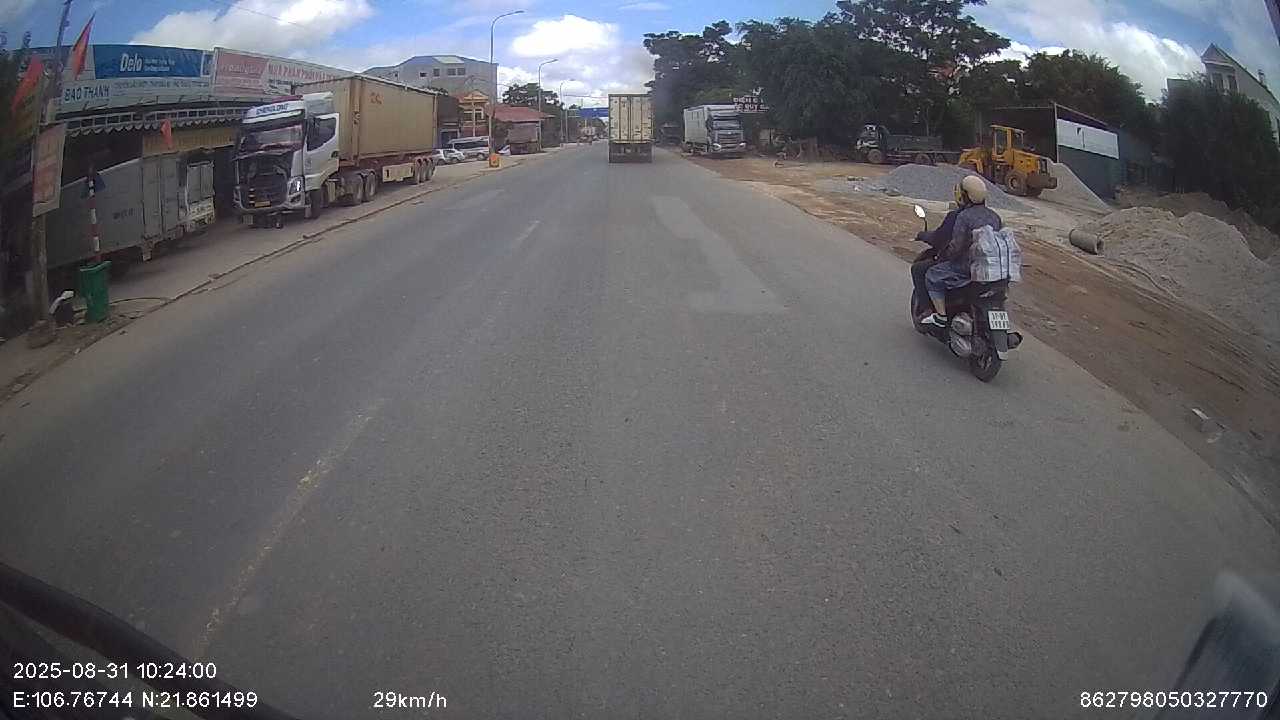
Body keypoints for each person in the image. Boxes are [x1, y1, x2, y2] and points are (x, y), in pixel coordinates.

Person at [919, 175, 1003, 327]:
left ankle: (941, 316)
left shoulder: (963, 216)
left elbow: (956, 246)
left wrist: (945, 256)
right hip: (991, 268)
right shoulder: (995, 217)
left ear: (964, 195)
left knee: (932, 275)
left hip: (966, 267)